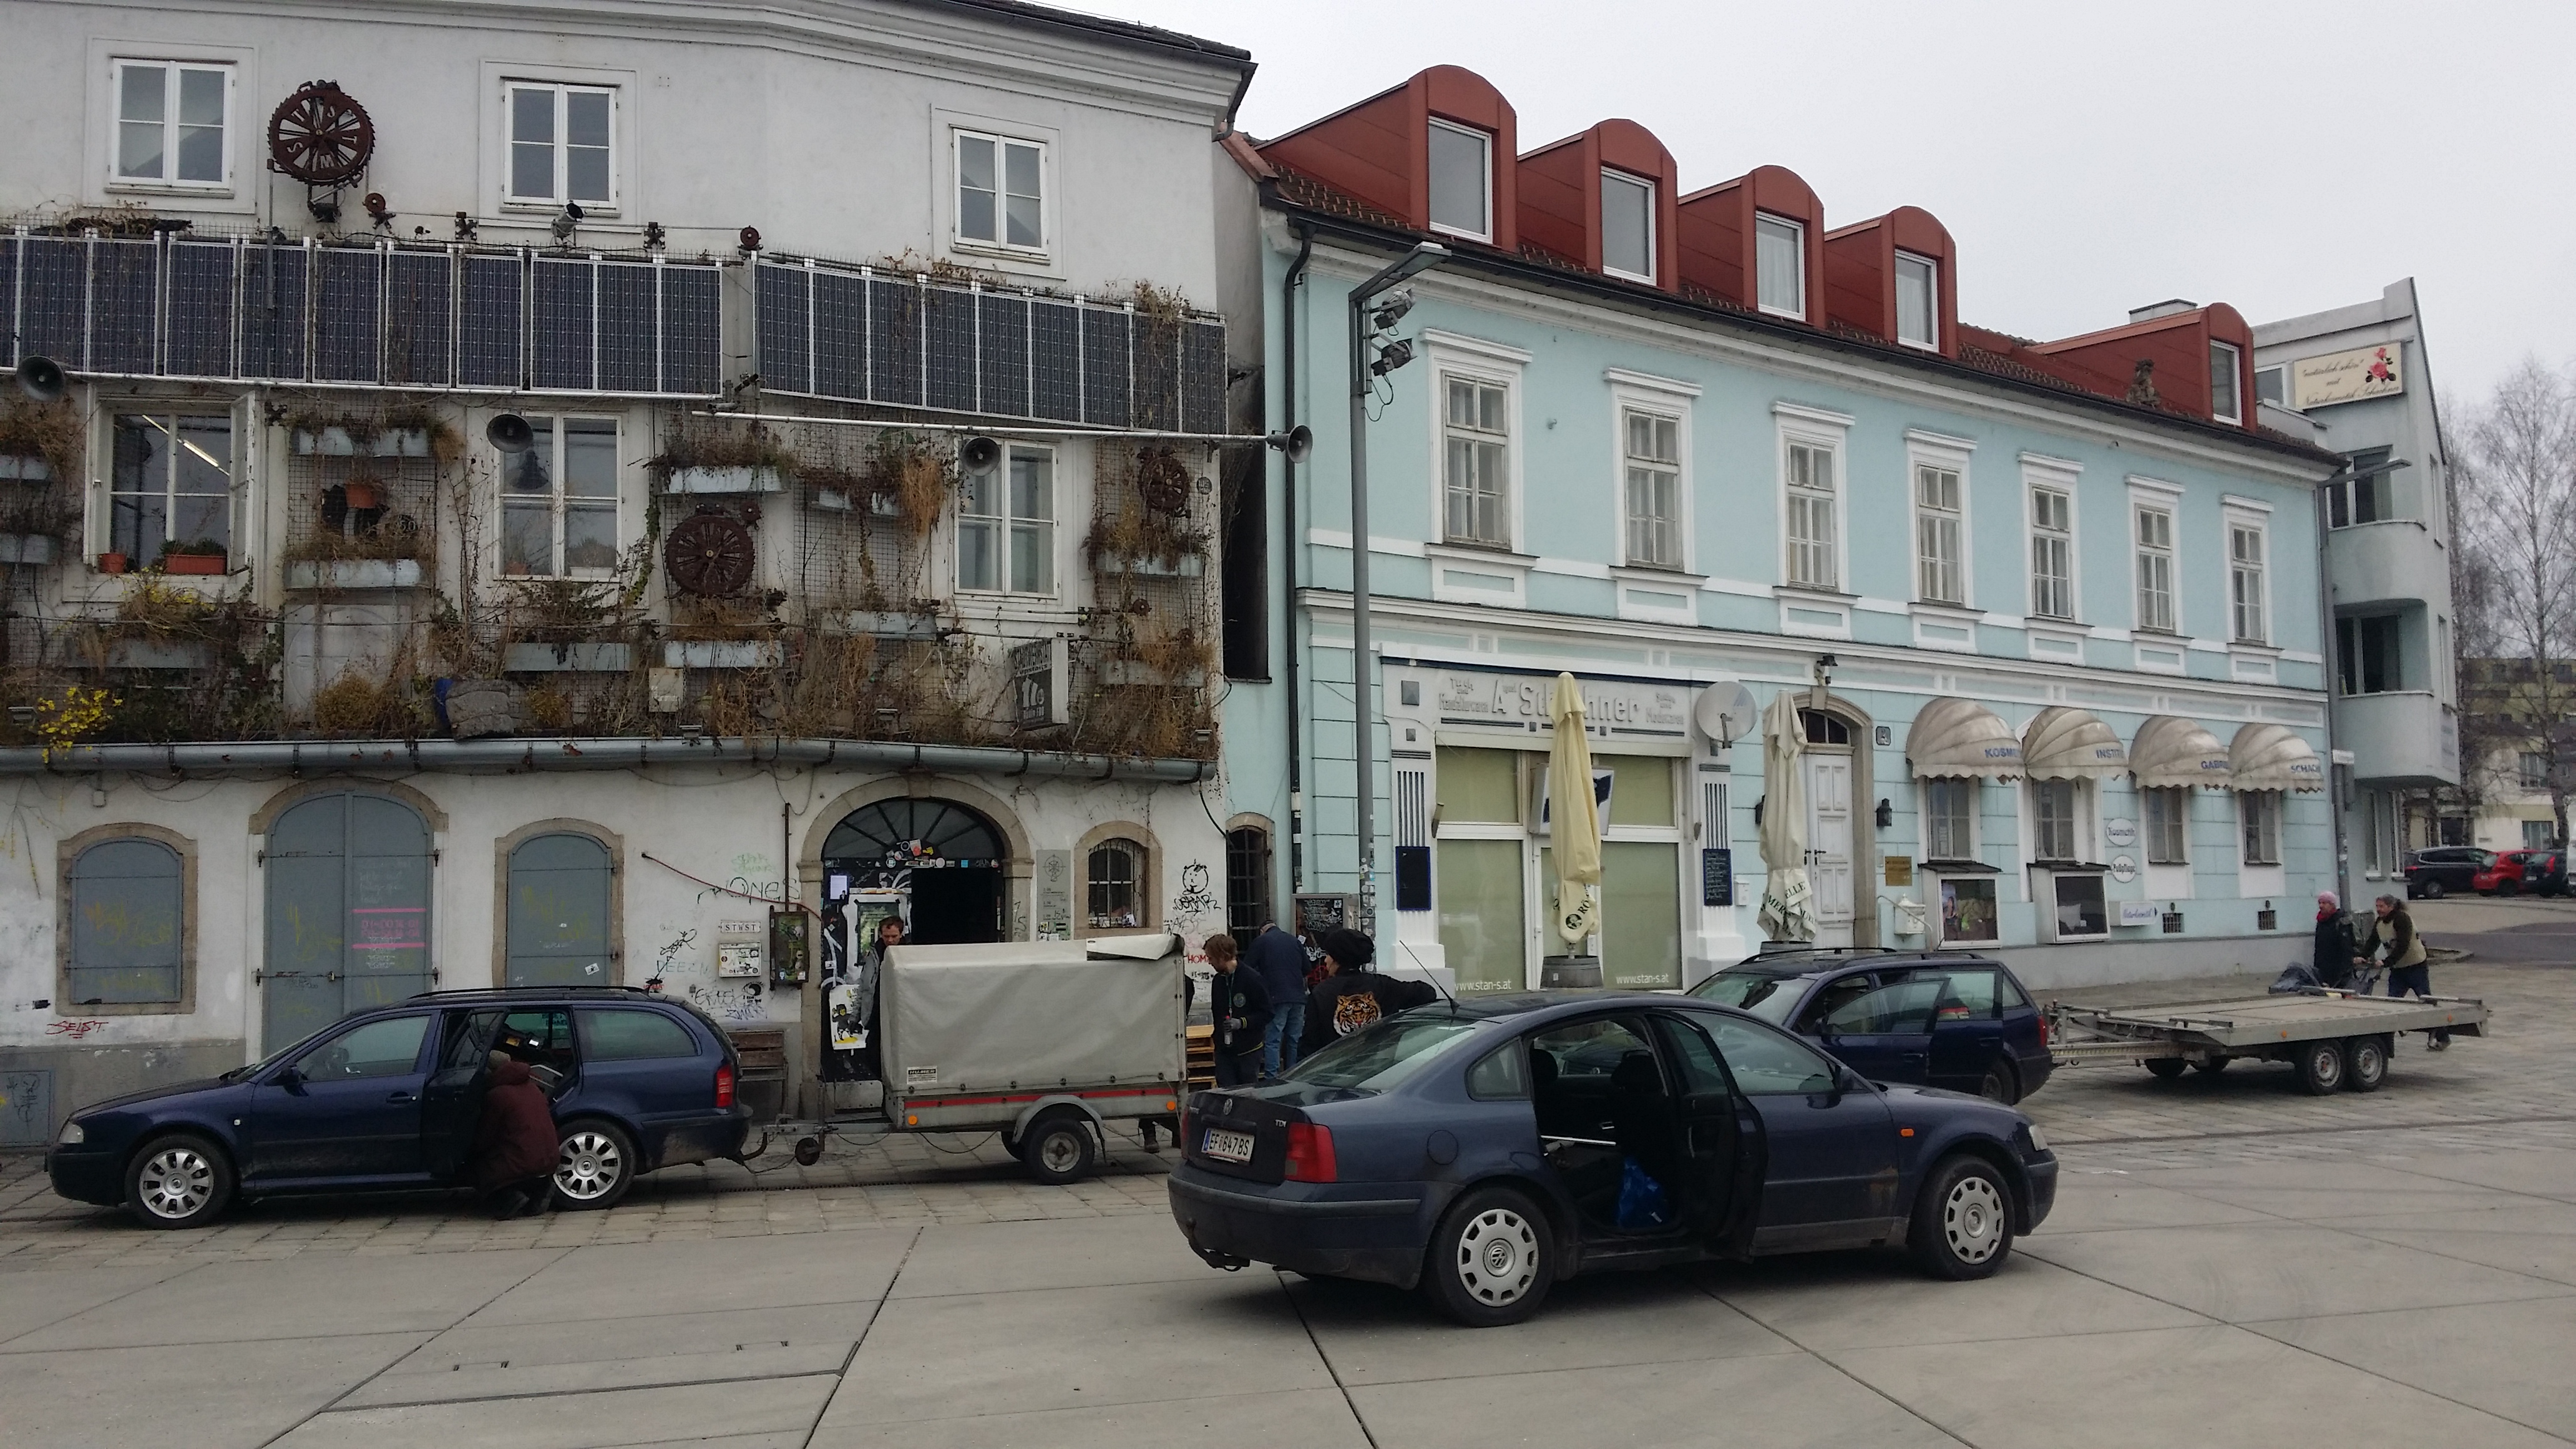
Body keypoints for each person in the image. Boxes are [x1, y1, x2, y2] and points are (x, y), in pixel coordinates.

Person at [1302, 927, 1439, 1054]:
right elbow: (1427, 993)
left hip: (1333, 1068)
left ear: (1338, 958)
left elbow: (1309, 1044)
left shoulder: (1322, 993)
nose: (1325, 960)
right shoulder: (1384, 986)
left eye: (1329, 955)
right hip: (1380, 1067)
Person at [473, 1049, 559, 1218]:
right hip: (550, 1157)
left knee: (483, 1169)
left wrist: (472, 1150)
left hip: (522, 1161)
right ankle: (541, 1190)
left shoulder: (497, 1095)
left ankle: (510, 1199)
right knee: (524, 1162)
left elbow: (486, 1135)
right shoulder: (533, 1088)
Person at [2366, 893, 2448, 1050]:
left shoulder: (2402, 919)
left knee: (2426, 1001)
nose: (2379, 910)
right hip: (2398, 970)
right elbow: (2373, 942)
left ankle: (2442, 1037)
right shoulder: (2380, 923)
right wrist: (2362, 955)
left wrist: (2386, 962)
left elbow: (2403, 946)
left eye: (2381, 906)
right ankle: (2387, 1044)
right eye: (2377, 906)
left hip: (2416, 966)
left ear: (2391, 907)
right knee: (2392, 1004)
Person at [1243, 920, 1311, 1077]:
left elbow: (1247, 969)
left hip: (1275, 997)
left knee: (1273, 1039)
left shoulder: (1261, 941)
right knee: (1294, 1039)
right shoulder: (1294, 940)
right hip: (1298, 997)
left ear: (1262, 930)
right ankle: (1294, 1075)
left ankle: (1272, 1077)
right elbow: (1307, 968)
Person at [1201, 934, 1269, 1086]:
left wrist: (1242, 1023)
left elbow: (1267, 1013)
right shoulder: (1218, 981)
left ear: (1222, 957)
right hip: (1224, 1053)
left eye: (1211, 958)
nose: (1209, 962)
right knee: (1225, 1093)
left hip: (1248, 1051)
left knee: (1246, 1094)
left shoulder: (1252, 979)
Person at [2313, 891, 2358, 989]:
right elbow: (2318, 946)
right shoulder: (2321, 921)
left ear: (2332, 904)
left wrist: (2346, 971)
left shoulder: (2341, 921)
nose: (2321, 906)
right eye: (2320, 903)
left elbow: (2347, 947)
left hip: (2339, 970)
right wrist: (2316, 967)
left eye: (2324, 903)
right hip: (2323, 969)